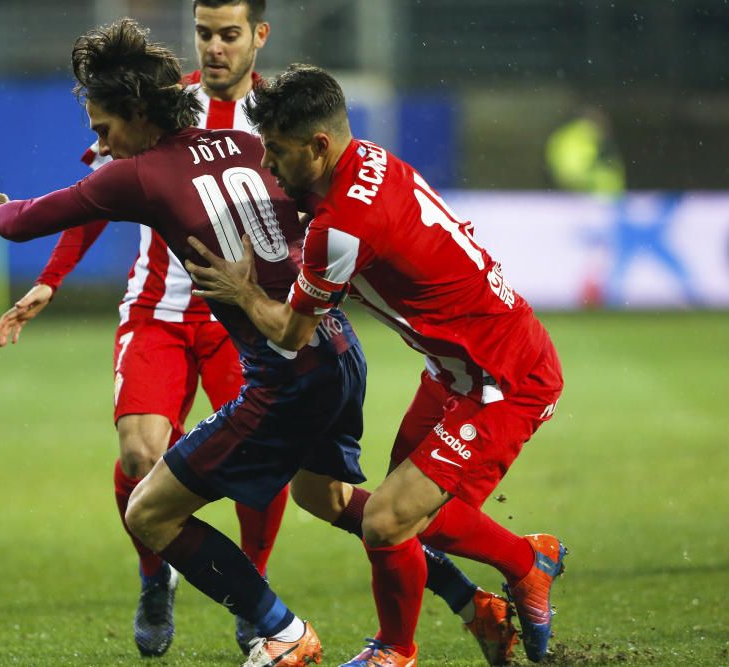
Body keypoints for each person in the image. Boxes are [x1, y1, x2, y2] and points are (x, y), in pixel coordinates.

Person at [0, 20, 508, 667]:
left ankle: (279, 631)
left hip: (286, 375)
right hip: (338, 351)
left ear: (138, 114)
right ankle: (476, 593)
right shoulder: (243, 144)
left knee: (150, 512)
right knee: (326, 499)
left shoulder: (137, 175)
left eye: (104, 127)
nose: (99, 142)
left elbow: (28, 219)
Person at [186, 64, 567, 666]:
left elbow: (289, 332)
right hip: (455, 370)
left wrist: (240, 293)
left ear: (318, 145)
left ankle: (400, 649)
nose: (269, 167)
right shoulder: (366, 159)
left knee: (389, 520)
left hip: (502, 377)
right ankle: (519, 571)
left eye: (278, 153)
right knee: (399, 520)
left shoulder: (341, 228)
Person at [0, 0, 287, 657]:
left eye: (227, 34)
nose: (212, 47)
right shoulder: (159, 106)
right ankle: (158, 574)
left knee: (264, 463)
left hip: (241, 315)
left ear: (259, 36)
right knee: (137, 452)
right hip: (158, 306)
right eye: (204, 33)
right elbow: (102, 191)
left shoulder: (280, 118)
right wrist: (51, 277)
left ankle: (254, 588)